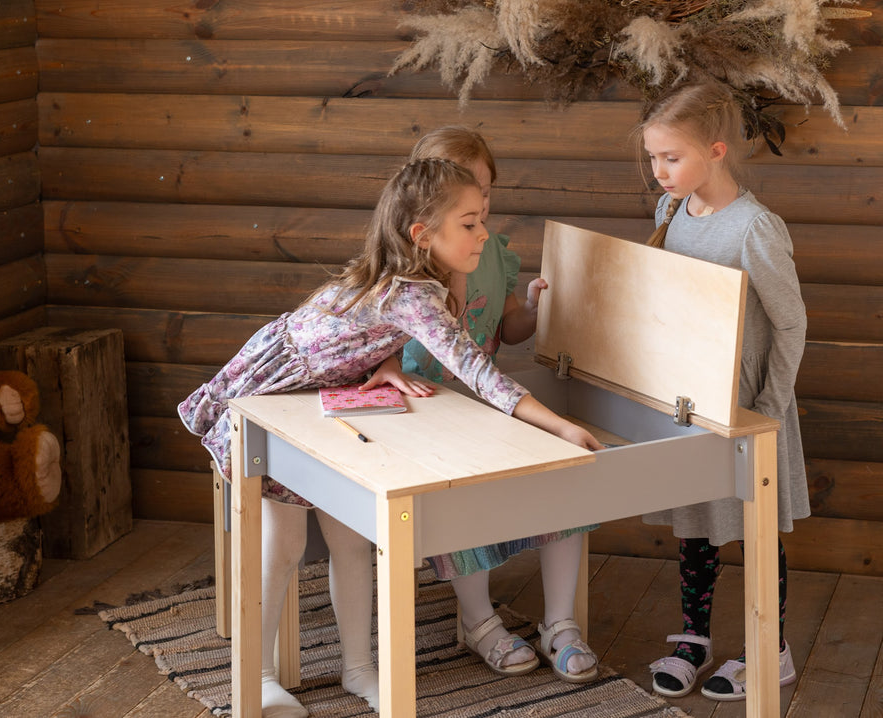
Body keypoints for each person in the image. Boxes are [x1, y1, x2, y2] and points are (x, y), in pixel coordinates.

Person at [178, 157, 601, 718]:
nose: (483, 233)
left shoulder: (416, 281)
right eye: (470, 223)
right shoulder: (412, 292)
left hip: (333, 394)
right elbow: (478, 372)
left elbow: (379, 332)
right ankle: (256, 679)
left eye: (481, 220)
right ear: (423, 235)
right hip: (279, 397)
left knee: (352, 541)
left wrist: (389, 360)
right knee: (281, 545)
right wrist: (563, 426)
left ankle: (358, 669)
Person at [364, 126, 602, 684]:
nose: (481, 208)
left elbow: (507, 327)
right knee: (460, 497)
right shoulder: (402, 267)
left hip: (493, 400)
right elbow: (374, 336)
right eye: (467, 194)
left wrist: (535, 311)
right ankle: (479, 622)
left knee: (561, 478)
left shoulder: (492, 252)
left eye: (486, 193)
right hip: (428, 408)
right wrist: (389, 366)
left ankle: (560, 623)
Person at [636, 80, 810, 702]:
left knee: (756, 527)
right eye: (653, 157)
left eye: (671, 157)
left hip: (748, 405)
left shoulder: (755, 228)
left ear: (714, 150)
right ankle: (694, 639)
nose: (659, 171)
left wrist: (768, 408)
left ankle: (773, 649)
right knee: (696, 522)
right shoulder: (671, 211)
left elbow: (791, 322)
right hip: (691, 401)